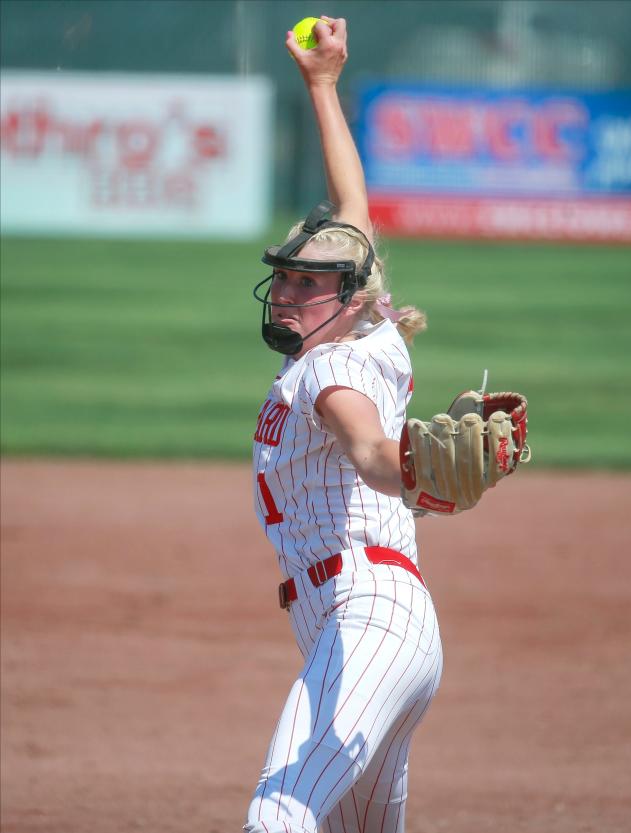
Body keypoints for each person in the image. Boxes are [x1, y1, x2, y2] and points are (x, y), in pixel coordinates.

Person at [245, 16, 443, 833]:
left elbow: (364, 445)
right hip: (381, 622)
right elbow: (354, 208)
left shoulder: (327, 368)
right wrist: (323, 85)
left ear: (349, 296)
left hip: (364, 614)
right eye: (285, 277)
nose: (289, 294)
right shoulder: (371, 330)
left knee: (279, 816)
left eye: (309, 283)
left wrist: (413, 468)